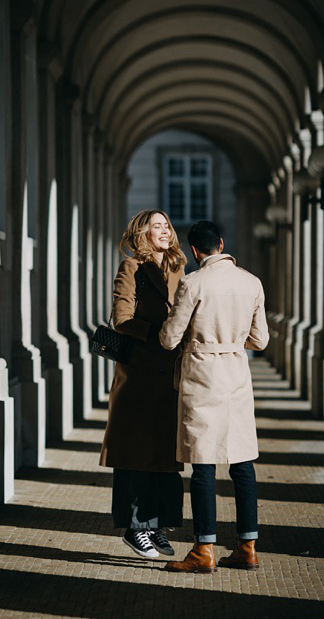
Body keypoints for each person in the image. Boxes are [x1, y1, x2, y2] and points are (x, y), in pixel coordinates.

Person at [158, 220, 269, 573]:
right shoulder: (251, 282)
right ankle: (247, 547)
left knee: (203, 464)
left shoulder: (193, 283)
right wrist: (234, 342)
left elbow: (168, 338)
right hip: (236, 374)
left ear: (194, 251)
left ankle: (204, 550)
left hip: (202, 375)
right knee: (242, 464)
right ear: (222, 244)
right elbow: (261, 340)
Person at [102, 210, 188, 559]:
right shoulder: (131, 267)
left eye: (167, 225)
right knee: (138, 454)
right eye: (157, 226)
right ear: (143, 232)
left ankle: (157, 526)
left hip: (170, 375)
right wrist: (160, 335)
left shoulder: (179, 268)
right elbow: (121, 319)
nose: (165, 231)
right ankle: (136, 528)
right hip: (140, 374)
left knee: (165, 455)